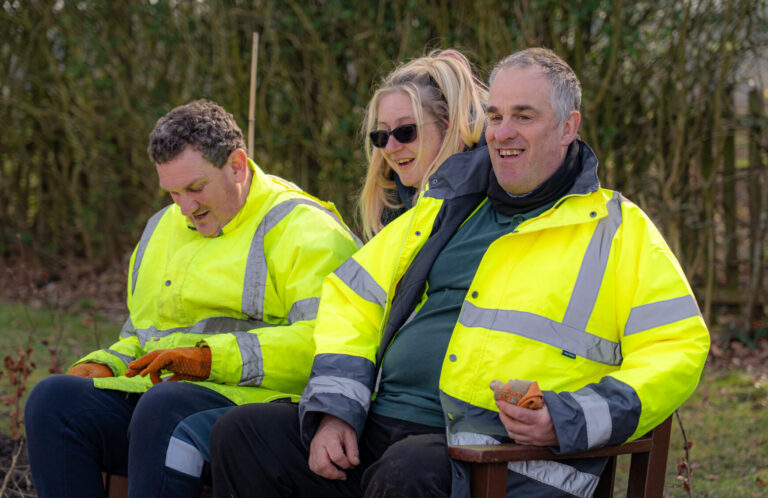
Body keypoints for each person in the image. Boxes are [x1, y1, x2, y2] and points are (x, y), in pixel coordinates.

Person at [209, 48, 710, 498]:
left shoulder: (619, 230)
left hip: (506, 460)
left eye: (524, 116)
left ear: (568, 127)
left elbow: (677, 347)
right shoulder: (449, 206)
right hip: (384, 433)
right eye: (495, 115)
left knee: (407, 472)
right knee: (244, 435)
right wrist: (336, 410)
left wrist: (570, 418)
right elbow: (351, 298)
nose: (503, 132)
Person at [24, 99, 361, 498]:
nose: (185, 208)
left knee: (164, 408)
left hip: (261, 410)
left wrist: (208, 359)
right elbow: (145, 334)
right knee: (53, 400)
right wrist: (106, 363)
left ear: (237, 165)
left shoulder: (307, 230)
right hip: (164, 399)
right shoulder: (161, 228)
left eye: (196, 188)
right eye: (172, 193)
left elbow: (328, 348)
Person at [358, 49, 487, 239]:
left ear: (447, 127)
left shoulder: (488, 206)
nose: (391, 148)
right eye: (382, 136)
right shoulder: (390, 215)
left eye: (406, 132)